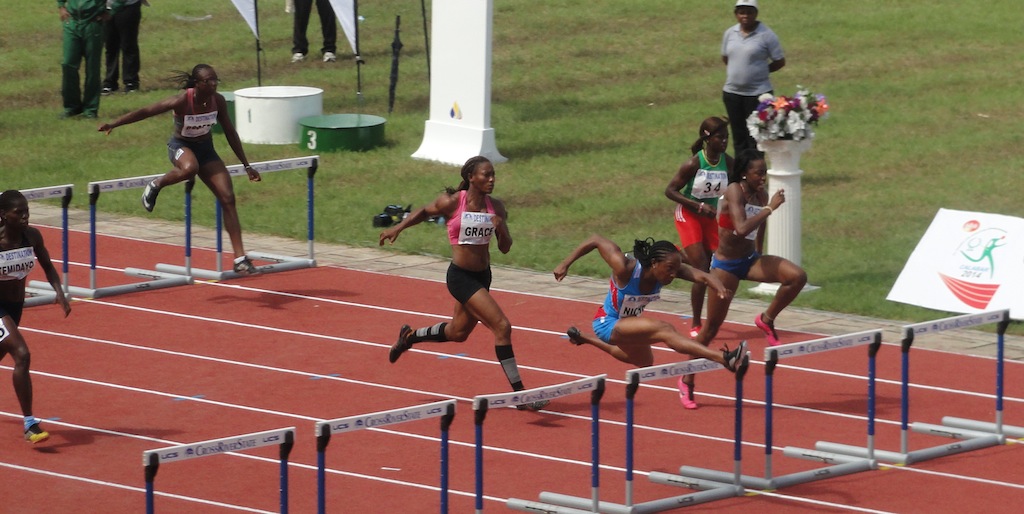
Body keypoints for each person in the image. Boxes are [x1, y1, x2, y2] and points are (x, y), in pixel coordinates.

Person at [379, 156, 547, 411]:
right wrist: (398, 228)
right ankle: (521, 396)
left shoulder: (497, 208)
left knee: (458, 333)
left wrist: (501, 229)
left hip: (483, 276)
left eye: (493, 175)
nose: (491, 180)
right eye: (486, 175)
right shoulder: (453, 202)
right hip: (460, 277)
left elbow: (505, 248)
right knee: (502, 327)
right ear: (471, 177)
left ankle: (410, 337)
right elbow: (425, 211)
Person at [97, 64, 263, 274]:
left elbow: (230, 132)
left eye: (215, 80)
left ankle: (240, 259)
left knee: (228, 198)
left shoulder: (218, 101)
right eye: (208, 81)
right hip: (180, 147)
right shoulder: (183, 100)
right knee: (190, 168)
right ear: (197, 83)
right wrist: (114, 124)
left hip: (206, 150)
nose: (213, 84)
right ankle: (156, 184)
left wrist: (247, 165)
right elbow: (146, 111)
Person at [681, 149, 806, 408]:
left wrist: (759, 250)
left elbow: (760, 224)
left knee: (797, 277)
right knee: (710, 330)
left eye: (764, 171)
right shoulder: (734, 190)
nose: (763, 176)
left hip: (749, 261)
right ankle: (687, 379)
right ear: (744, 173)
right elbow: (740, 228)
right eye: (758, 172)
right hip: (726, 267)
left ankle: (766, 319)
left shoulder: (759, 192)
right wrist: (770, 207)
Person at [553, 234, 747, 374]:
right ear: (654, 263)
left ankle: (584, 338)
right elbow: (595, 239)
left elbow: (704, 276)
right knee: (665, 329)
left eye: (676, 270)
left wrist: (720, 288)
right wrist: (565, 263)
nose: (673, 275)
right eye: (670, 269)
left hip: (628, 324)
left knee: (644, 362)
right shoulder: (625, 268)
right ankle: (723, 358)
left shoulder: (670, 269)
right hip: (607, 323)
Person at [0, 190, 73, 444]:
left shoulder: (31, 237)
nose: (24, 216)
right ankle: (30, 423)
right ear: (3, 215)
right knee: (22, 354)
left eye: (26, 211)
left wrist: (59, 293)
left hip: (14, 306)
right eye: (17, 212)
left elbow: (48, 265)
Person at [665, 116, 733, 339]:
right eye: (720, 138)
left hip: (709, 218)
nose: (724, 142)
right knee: (702, 268)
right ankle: (696, 322)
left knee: (716, 262)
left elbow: (736, 186)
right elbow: (670, 191)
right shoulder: (694, 163)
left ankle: (675, 253)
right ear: (707, 138)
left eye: (727, 138)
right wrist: (698, 206)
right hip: (688, 215)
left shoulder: (728, 162)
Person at [721, 0, 785, 157]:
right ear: (736, 14)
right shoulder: (730, 33)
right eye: (741, 12)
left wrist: (761, 72)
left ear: (756, 14)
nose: (745, 16)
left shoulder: (767, 35)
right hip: (732, 93)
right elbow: (726, 57)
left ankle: (756, 176)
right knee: (738, 136)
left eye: (749, 12)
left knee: (756, 137)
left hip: (758, 94)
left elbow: (779, 61)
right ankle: (740, 175)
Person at [58, 0, 110, 119]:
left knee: (92, 68)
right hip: (72, 23)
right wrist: (61, 6)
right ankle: (72, 106)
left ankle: (90, 109)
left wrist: (112, 10)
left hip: (92, 24)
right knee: (68, 64)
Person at [102, 0, 146, 95]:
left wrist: (114, 8)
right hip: (107, 7)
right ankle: (110, 82)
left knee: (128, 45)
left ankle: (131, 82)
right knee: (110, 46)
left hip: (128, 6)